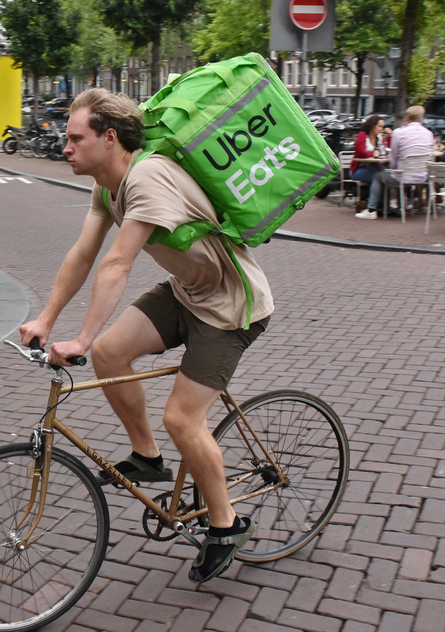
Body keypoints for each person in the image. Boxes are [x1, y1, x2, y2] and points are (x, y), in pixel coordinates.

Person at [18, 88, 273, 584]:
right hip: (187, 292)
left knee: (183, 418)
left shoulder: (148, 177)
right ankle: (147, 457)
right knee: (113, 355)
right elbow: (84, 254)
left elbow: (118, 262)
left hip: (230, 307)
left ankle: (226, 525)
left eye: (75, 138)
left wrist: (81, 340)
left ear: (109, 138)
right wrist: (48, 318)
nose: (64, 147)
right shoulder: (105, 186)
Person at [356, 106, 434, 220]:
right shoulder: (429, 133)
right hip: (423, 176)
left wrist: (393, 167)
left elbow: (393, 157)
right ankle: (400, 207)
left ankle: (372, 210)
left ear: (406, 118)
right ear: (421, 118)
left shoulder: (399, 133)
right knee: (395, 173)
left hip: (403, 176)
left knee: (379, 176)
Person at [349, 115, 387, 213]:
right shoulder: (362, 135)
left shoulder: (378, 139)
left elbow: (385, 151)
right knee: (378, 177)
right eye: (379, 126)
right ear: (372, 126)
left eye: (382, 126)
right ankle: (376, 206)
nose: (381, 129)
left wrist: (389, 137)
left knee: (384, 175)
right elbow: (362, 151)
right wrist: (375, 154)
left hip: (373, 167)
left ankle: (381, 205)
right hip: (358, 169)